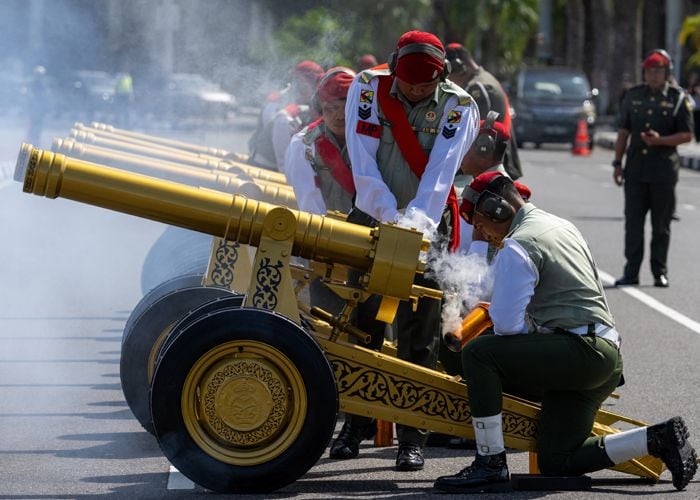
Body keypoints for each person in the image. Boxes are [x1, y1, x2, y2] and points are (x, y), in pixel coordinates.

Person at [433, 171, 698, 493]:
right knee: (557, 459)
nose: (483, 233)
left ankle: (490, 462)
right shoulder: (560, 225)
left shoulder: (519, 246)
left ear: (497, 209)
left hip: (579, 353)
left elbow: (506, 326)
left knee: (478, 353)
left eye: (480, 223)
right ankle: (657, 438)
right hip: (604, 357)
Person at [330, 30, 479, 471]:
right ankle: (354, 425)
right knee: (362, 322)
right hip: (374, 220)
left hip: (427, 227)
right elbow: (362, 158)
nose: (416, 92)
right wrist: (387, 217)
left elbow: (441, 173)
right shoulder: (367, 88)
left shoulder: (459, 106)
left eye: (425, 86)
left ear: (442, 76)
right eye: (409, 84)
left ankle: (412, 435)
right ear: (394, 71)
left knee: (420, 329)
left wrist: (413, 226)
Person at [612, 49, 694, 288]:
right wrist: (618, 163)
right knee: (633, 225)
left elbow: (687, 135)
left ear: (666, 73)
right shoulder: (633, 96)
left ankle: (660, 272)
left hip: (663, 172)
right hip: (636, 170)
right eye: (650, 71)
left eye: (658, 71)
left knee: (661, 226)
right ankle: (631, 272)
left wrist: (660, 140)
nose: (653, 75)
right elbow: (623, 132)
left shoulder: (678, 99)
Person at [284, 67, 356, 313]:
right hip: (327, 244)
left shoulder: (374, 139)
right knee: (327, 318)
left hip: (371, 243)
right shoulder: (304, 144)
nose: (338, 116)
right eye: (330, 108)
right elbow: (310, 203)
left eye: (345, 107)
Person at [445, 43, 522, 180]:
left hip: (488, 164)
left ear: (459, 67)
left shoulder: (477, 87)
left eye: (448, 74)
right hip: (495, 160)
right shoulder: (485, 79)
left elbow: (476, 129)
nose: (448, 80)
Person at [248, 60, 324, 171]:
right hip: (267, 166)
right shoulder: (277, 106)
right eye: (310, 85)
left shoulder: (311, 103)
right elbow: (282, 155)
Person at [26, 65, 49, 147]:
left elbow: (45, 98)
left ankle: (36, 143)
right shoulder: (32, 84)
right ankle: (31, 144)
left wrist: (45, 109)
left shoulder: (43, 85)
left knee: (38, 128)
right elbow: (29, 97)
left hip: (40, 110)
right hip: (34, 110)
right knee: (32, 127)